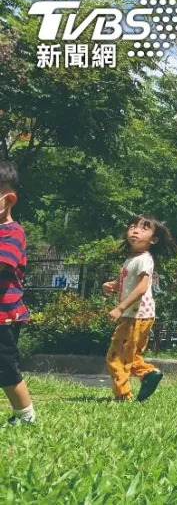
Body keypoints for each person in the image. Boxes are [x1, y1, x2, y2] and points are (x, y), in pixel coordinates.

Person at [102, 214, 177, 402]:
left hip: (134, 316)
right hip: (138, 315)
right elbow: (131, 283)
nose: (135, 230)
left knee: (116, 357)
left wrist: (120, 308)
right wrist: (113, 285)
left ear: (153, 240)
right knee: (130, 355)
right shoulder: (133, 258)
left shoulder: (144, 259)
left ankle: (123, 396)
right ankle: (149, 374)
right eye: (132, 226)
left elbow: (143, 286)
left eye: (144, 228)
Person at [0, 162, 35, 425]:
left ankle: (25, 415)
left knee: (6, 369)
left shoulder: (12, 233)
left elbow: (4, 264)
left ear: (8, 199)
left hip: (5, 317)